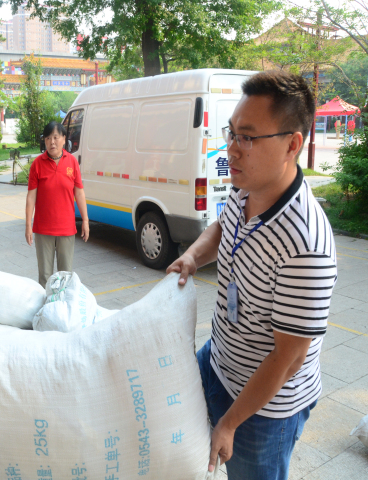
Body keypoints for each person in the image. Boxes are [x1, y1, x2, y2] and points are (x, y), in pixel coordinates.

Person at [167, 70, 337, 480]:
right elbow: (221, 228)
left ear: (292, 145)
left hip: (264, 411)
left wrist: (230, 422)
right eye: (231, 133)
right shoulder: (246, 187)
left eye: (247, 137)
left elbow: (289, 357)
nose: (232, 149)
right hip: (219, 360)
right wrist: (191, 256)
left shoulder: (305, 242)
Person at [25, 121, 90, 287]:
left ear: (63, 139)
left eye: (55, 137)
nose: (51, 142)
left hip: (66, 229)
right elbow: (31, 197)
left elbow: (79, 193)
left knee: (65, 276)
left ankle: (63, 308)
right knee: (45, 276)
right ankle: (45, 310)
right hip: (43, 229)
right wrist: (28, 225)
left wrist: (86, 221)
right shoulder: (37, 164)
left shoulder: (72, 162)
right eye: (48, 138)